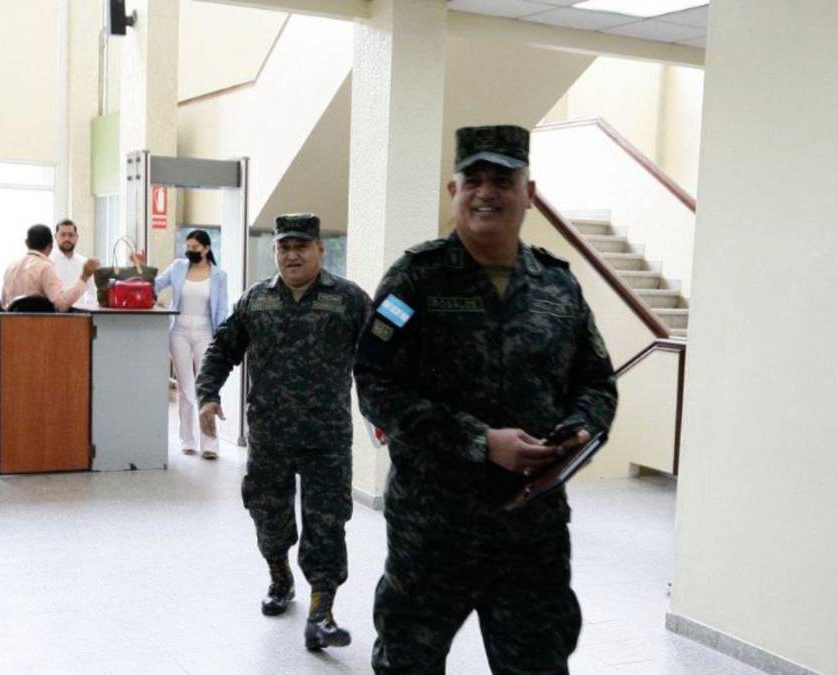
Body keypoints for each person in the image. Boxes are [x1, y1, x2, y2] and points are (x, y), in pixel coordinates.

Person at [354, 125, 619, 674]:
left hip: (532, 530)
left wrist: (579, 430)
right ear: (453, 191)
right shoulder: (416, 280)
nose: (486, 192)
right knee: (409, 663)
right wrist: (480, 441)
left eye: (503, 180)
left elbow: (597, 382)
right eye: (473, 179)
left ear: (530, 193)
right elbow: (376, 384)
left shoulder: (558, 285)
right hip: (433, 529)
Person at [195, 213, 371, 651]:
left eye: (301, 247)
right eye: (284, 247)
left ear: (319, 250)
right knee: (268, 515)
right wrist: (207, 394)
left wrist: (381, 412)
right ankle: (280, 578)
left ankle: (321, 612)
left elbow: (379, 359)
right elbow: (222, 348)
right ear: (275, 250)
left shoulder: (348, 300)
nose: (292, 255)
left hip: (327, 437)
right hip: (269, 434)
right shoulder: (256, 300)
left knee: (327, 523)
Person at [154, 230, 229, 460]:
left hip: (206, 332)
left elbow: (222, 308)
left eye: (195, 247)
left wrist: (222, 338)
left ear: (206, 249)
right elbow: (155, 286)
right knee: (185, 388)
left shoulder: (219, 276)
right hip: (179, 331)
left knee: (205, 386)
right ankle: (187, 439)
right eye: (187, 247)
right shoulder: (178, 267)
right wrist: (141, 270)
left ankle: (210, 442)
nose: (190, 251)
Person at [1, 224, 100, 312]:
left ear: (26, 243)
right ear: (51, 245)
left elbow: (3, 304)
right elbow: (61, 305)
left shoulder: (11, 267)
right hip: (41, 325)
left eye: (70, 235)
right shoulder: (45, 268)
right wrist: (84, 277)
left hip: (11, 325)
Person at [49, 218, 97, 307]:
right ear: (55, 237)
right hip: (54, 312)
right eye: (63, 235)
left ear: (76, 237)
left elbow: (92, 293)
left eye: (70, 235)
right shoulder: (48, 261)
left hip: (80, 312)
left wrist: (87, 307)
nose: (67, 238)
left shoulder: (85, 263)